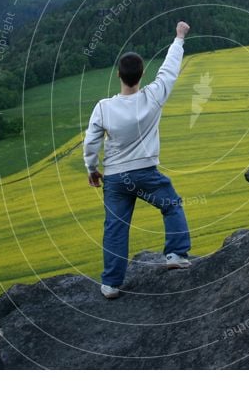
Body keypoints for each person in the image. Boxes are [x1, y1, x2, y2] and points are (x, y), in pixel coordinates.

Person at [83, 21, 193, 299]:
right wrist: (179, 38)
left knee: (115, 228)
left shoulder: (103, 107)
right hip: (146, 174)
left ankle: (110, 284)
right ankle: (176, 255)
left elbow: (92, 142)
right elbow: (169, 70)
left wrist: (92, 169)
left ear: (119, 75)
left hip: (116, 179)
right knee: (171, 205)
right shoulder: (153, 97)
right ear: (142, 74)